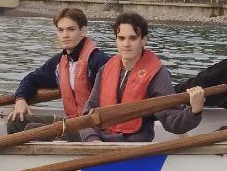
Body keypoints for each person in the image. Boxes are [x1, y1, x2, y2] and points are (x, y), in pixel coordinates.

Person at [78, 12, 205, 143]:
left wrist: (194, 111)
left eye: (133, 38)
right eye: (121, 38)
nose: (126, 44)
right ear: (116, 40)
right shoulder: (105, 70)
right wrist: (92, 140)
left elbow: (172, 122)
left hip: (134, 148)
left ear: (144, 39)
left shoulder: (157, 74)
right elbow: (88, 114)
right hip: (99, 144)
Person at [7, 6, 109, 134]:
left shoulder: (99, 61)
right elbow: (32, 79)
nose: (65, 35)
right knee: (16, 121)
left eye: (70, 29)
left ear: (83, 31)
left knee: (32, 130)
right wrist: (20, 99)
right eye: (60, 30)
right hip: (72, 122)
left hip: (94, 128)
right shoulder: (60, 62)